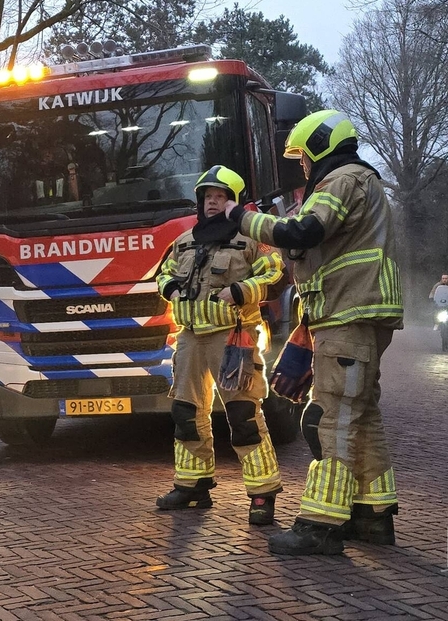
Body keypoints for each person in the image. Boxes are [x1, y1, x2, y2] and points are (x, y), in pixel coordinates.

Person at [224, 110, 404, 555]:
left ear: (321, 146)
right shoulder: (361, 182)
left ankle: (320, 524)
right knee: (362, 417)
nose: (303, 167)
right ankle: (372, 514)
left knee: (330, 419)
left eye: (303, 158)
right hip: (355, 315)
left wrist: (242, 218)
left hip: (347, 315)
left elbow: (304, 230)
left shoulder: (342, 179)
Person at [155, 165, 286, 526]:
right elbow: (163, 273)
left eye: (220, 197)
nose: (212, 202)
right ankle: (192, 485)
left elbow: (276, 273)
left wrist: (242, 290)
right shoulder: (185, 240)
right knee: (185, 413)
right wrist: (170, 288)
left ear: (233, 201)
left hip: (233, 337)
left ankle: (262, 493)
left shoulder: (252, 239)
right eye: (208, 197)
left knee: (243, 415)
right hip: (189, 338)